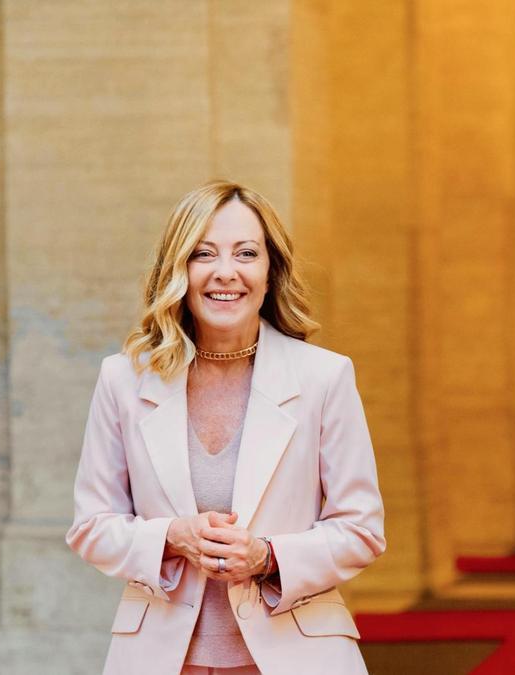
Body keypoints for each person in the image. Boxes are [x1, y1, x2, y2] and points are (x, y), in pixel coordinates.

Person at [67, 180, 385, 675]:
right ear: (178, 269)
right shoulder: (123, 379)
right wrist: (173, 537)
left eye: (246, 253)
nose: (225, 273)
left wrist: (267, 556)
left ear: (269, 270)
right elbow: (91, 527)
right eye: (203, 254)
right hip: (161, 659)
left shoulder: (325, 377)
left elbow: (361, 529)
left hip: (297, 656)